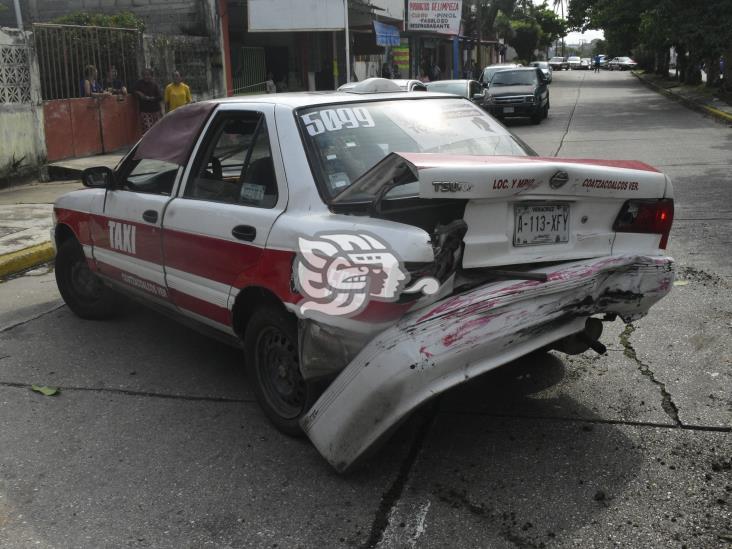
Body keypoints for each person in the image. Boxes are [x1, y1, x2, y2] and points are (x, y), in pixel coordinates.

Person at [133, 68, 163, 132]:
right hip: (145, 111)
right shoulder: (139, 83)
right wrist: (138, 93)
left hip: (155, 111)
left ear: (151, 76)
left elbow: (160, 97)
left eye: (148, 75)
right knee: (148, 130)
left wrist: (151, 98)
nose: (146, 76)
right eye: (144, 75)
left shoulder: (154, 84)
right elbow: (132, 91)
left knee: (158, 129)